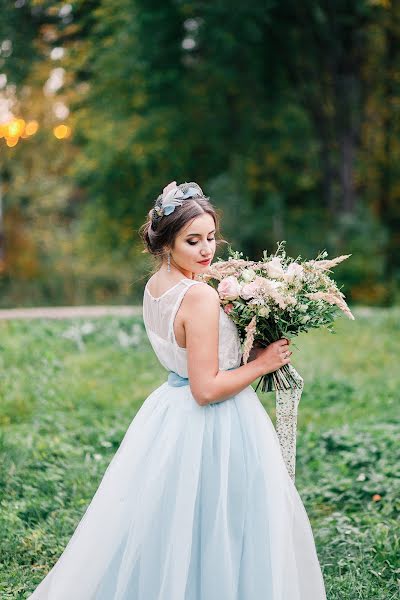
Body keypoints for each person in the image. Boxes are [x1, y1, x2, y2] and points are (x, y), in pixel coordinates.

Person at [27, 181, 327, 599]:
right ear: (166, 242)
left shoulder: (157, 286)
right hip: (214, 421)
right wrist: (262, 364)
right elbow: (205, 389)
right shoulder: (200, 296)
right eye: (193, 241)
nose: (207, 250)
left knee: (176, 521)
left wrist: (244, 350)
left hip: (169, 412)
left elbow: (191, 355)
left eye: (210, 238)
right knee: (223, 519)